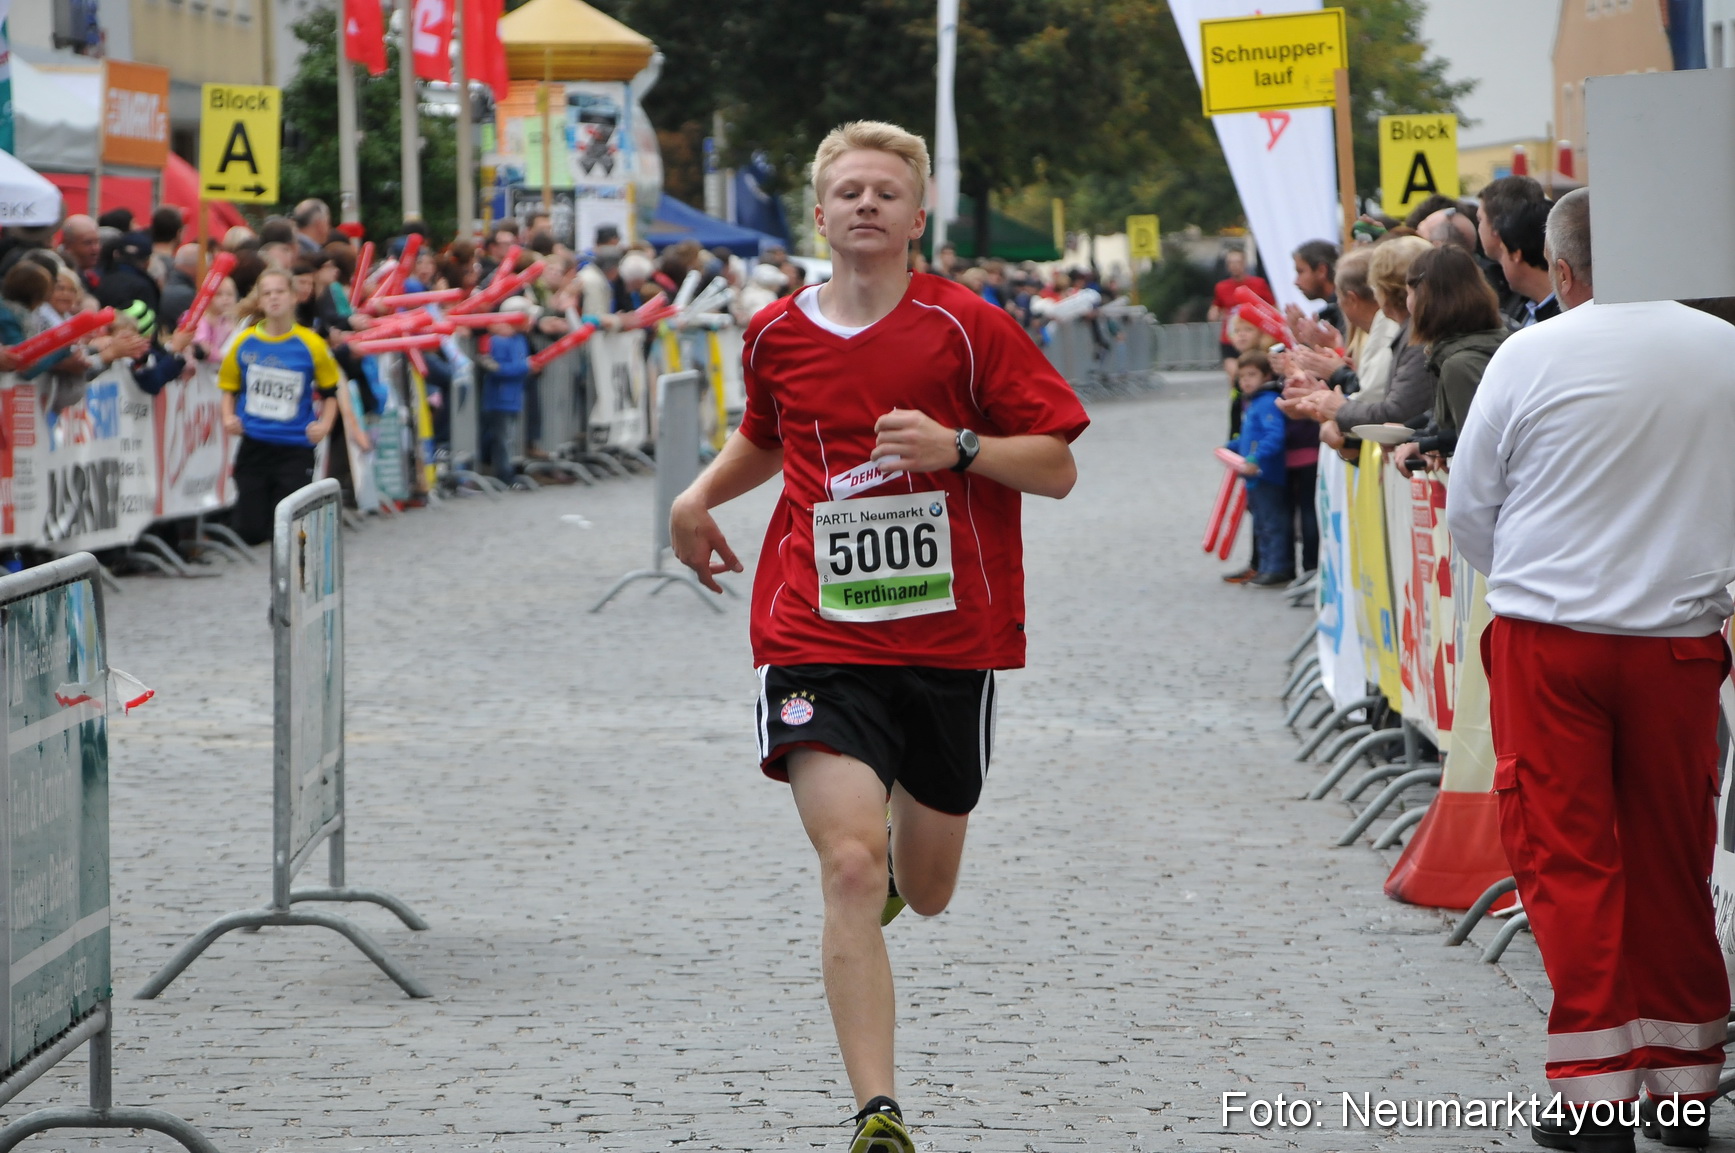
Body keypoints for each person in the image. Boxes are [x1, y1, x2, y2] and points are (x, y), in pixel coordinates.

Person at [669, 120, 1086, 1153]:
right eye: (848, 190)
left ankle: (909, 855)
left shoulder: (967, 327)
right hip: (815, 628)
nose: (866, 204)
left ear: (916, 216)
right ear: (818, 214)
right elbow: (767, 433)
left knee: (926, 888)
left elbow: (1056, 464)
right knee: (850, 865)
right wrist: (696, 496)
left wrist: (960, 448)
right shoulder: (775, 331)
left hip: (950, 638)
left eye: (885, 192)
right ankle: (878, 1111)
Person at [1448, 189, 1735, 1153]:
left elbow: (1470, 508)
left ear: (1561, 269)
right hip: (1676, 642)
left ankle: (1594, 1091)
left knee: (1567, 858)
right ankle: (1684, 1083)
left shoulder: (1529, 353)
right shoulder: (1722, 348)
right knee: (1672, 852)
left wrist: (1534, 580)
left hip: (1551, 638)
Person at [217, 269, 344, 545]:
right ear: (260, 301)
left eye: (280, 292)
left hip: (295, 448)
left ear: (293, 297)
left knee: (288, 529)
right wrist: (228, 417)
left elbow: (330, 392)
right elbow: (229, 388)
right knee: (251, 530)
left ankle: (290, 569)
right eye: (267, 293)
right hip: (254, 445)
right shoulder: (244, 342)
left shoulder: (311, 344)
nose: (274, 298)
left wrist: (324, 425)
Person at [1224, 349, 1290, 587]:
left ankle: (1278, 567)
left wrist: (1255, 457)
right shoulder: (1253, 402)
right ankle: (1264, 567)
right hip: (1254, 475)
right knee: (1261, 523)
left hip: (1267, 473)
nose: (1246, 381)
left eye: (1252, 375)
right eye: (1242, 376)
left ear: (1266, 376)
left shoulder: (1267, 402)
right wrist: (1232, 447)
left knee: (1273, 522)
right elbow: (1249, 437)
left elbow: (1274, 435)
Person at [477, 298, 533, 487]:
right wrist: (526, 367)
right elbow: (498, 369)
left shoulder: (519, 339)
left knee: (507, 437)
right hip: (499, 398)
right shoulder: (498, 341)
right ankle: (503, 474)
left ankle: (505, 472)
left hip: (513, 396)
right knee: (502, 438)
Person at [1208, 247, 1275, 400]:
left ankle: (1253, 399)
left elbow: (1272, 306)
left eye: (1237, 262)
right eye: (1231, 263)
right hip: (1230, 338)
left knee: (1253, 374)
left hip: (1254, 338)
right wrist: (1213, 312)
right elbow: (1217, 305)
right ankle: (1237, 401)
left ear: (1244, 263)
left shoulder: (1258, 284)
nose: (1234, 266)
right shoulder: (1221, 287)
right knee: (1235, 374)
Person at [1495, 199, 1559, 328]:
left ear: (1516, 255)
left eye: (1502, 251)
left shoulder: (1564, 316)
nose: (1501, 261)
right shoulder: (1525, 308)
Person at [1290, 239, 1343, 333]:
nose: (1296, 282)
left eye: (1300, 271)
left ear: (1321, 270)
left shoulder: (1345, 310)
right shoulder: (1335, 310)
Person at [59, 215, 102, 293]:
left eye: (97, 242)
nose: (95, 249)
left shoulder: (99, 272)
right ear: (68, 245)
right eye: (88, 243)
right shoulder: (61, 277)